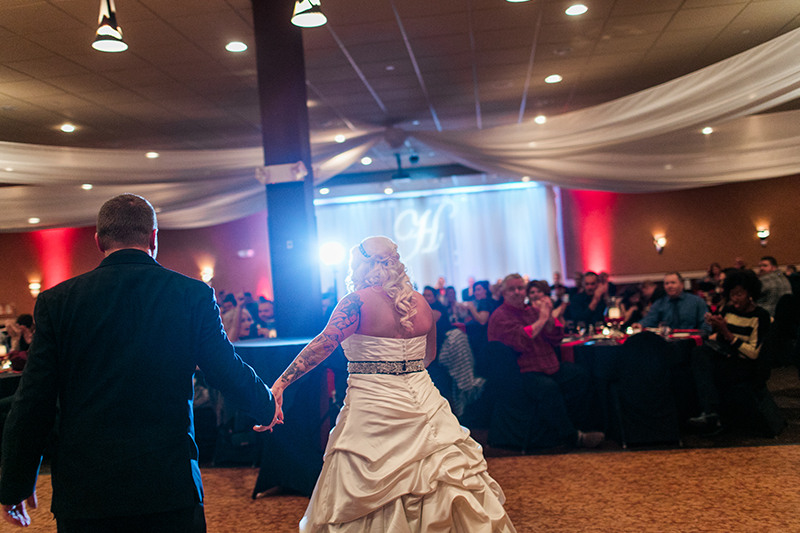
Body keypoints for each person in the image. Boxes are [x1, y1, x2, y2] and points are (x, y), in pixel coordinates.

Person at [0, 194, 275, 530]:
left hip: (86, 489)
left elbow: (34, 399)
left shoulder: (57, 302)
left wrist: (15, 482)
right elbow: (225, 369)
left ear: (99, 241)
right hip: (168, 481)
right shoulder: (192, 294)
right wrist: (266, 405)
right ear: (153, 237)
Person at [257, 236, 516, 531]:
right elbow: (429, 356)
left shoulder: (355, 302)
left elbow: (322, 345)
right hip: (423, 398)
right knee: (441, 473)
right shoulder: (420, 303)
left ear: (361, 264)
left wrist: (281, 383)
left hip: (372, 403)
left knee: (371, 479)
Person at [488, 274, 604, 449]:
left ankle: (581, 426)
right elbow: (520, 340)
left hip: (548, 366)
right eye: (512, 289)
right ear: (504, 293)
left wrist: (548, 317)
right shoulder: (499, 316)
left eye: (520, 288)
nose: (517, 292)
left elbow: (555, 338)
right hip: (519, 372)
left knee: (580, 375)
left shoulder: (531, 311)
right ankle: (571, 437)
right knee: (548, 388)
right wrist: (542, 319)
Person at [688, 269, 771, 434]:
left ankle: (711, 412)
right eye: (732, 294)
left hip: (745, 364)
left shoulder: (760, 316)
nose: (735, 299)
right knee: (698, 353)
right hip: (725, 356)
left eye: (739, 294)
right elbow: (719, 340)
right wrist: (716, 326)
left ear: (750, 293)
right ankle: (710, 412)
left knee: (706, 369)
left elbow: (753, 353)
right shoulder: (728, 310)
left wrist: (727, 333)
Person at [636, 272, 712, 335]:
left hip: (691, 341)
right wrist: (640, 325)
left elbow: (705, 325)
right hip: (668, 343)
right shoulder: (659, 304)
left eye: (673, 283)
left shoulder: (696, 301)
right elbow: (649, 320)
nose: (669, 286)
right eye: (667, 283)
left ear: (681, 285)